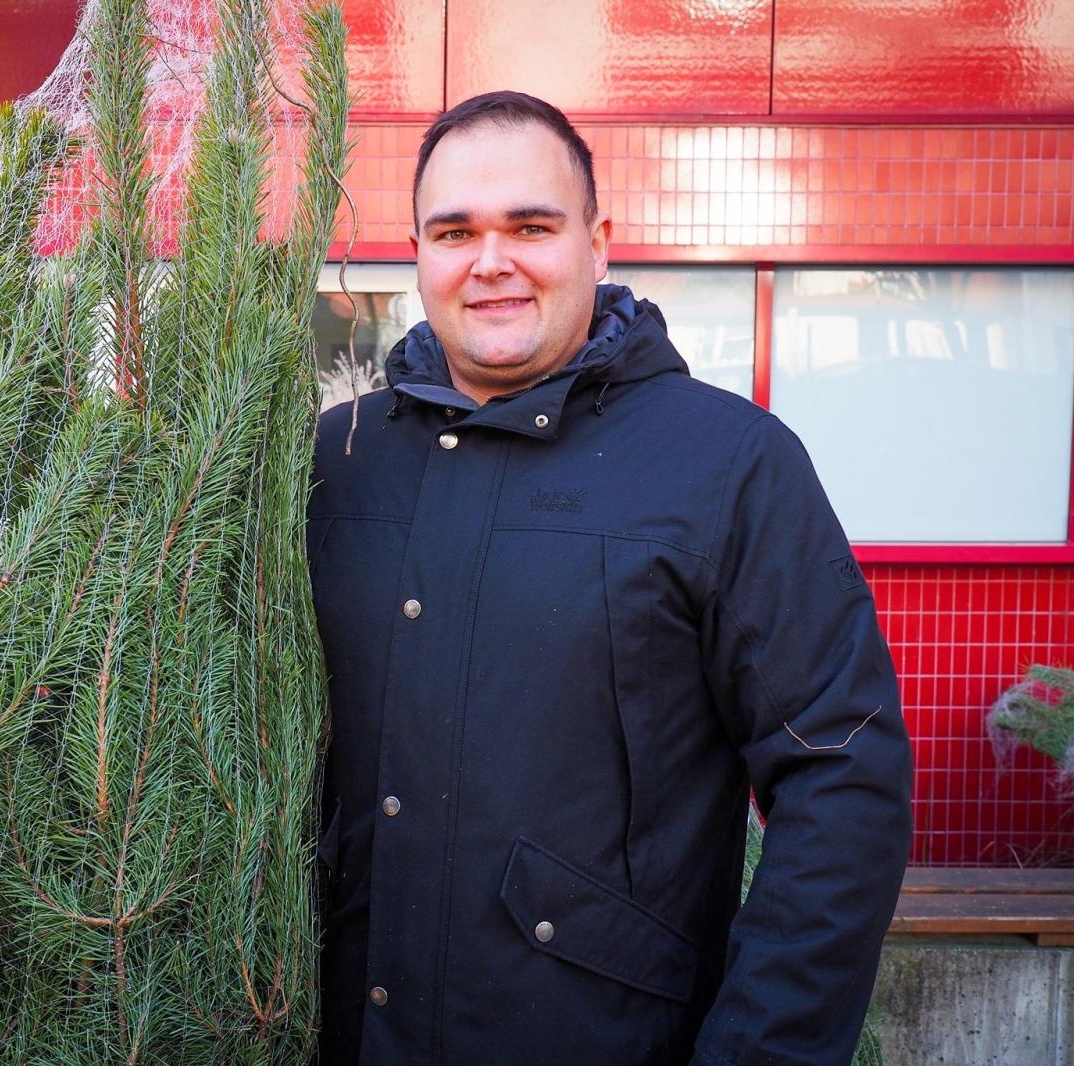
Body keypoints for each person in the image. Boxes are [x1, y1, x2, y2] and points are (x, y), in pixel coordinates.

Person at [306, 91, 913, 1065]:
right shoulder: (336, 463)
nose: (490, 259)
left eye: (530, 227)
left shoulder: (727, 465)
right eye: (453, 230)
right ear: (416, 252)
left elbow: (842, 776)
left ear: (598, 243)